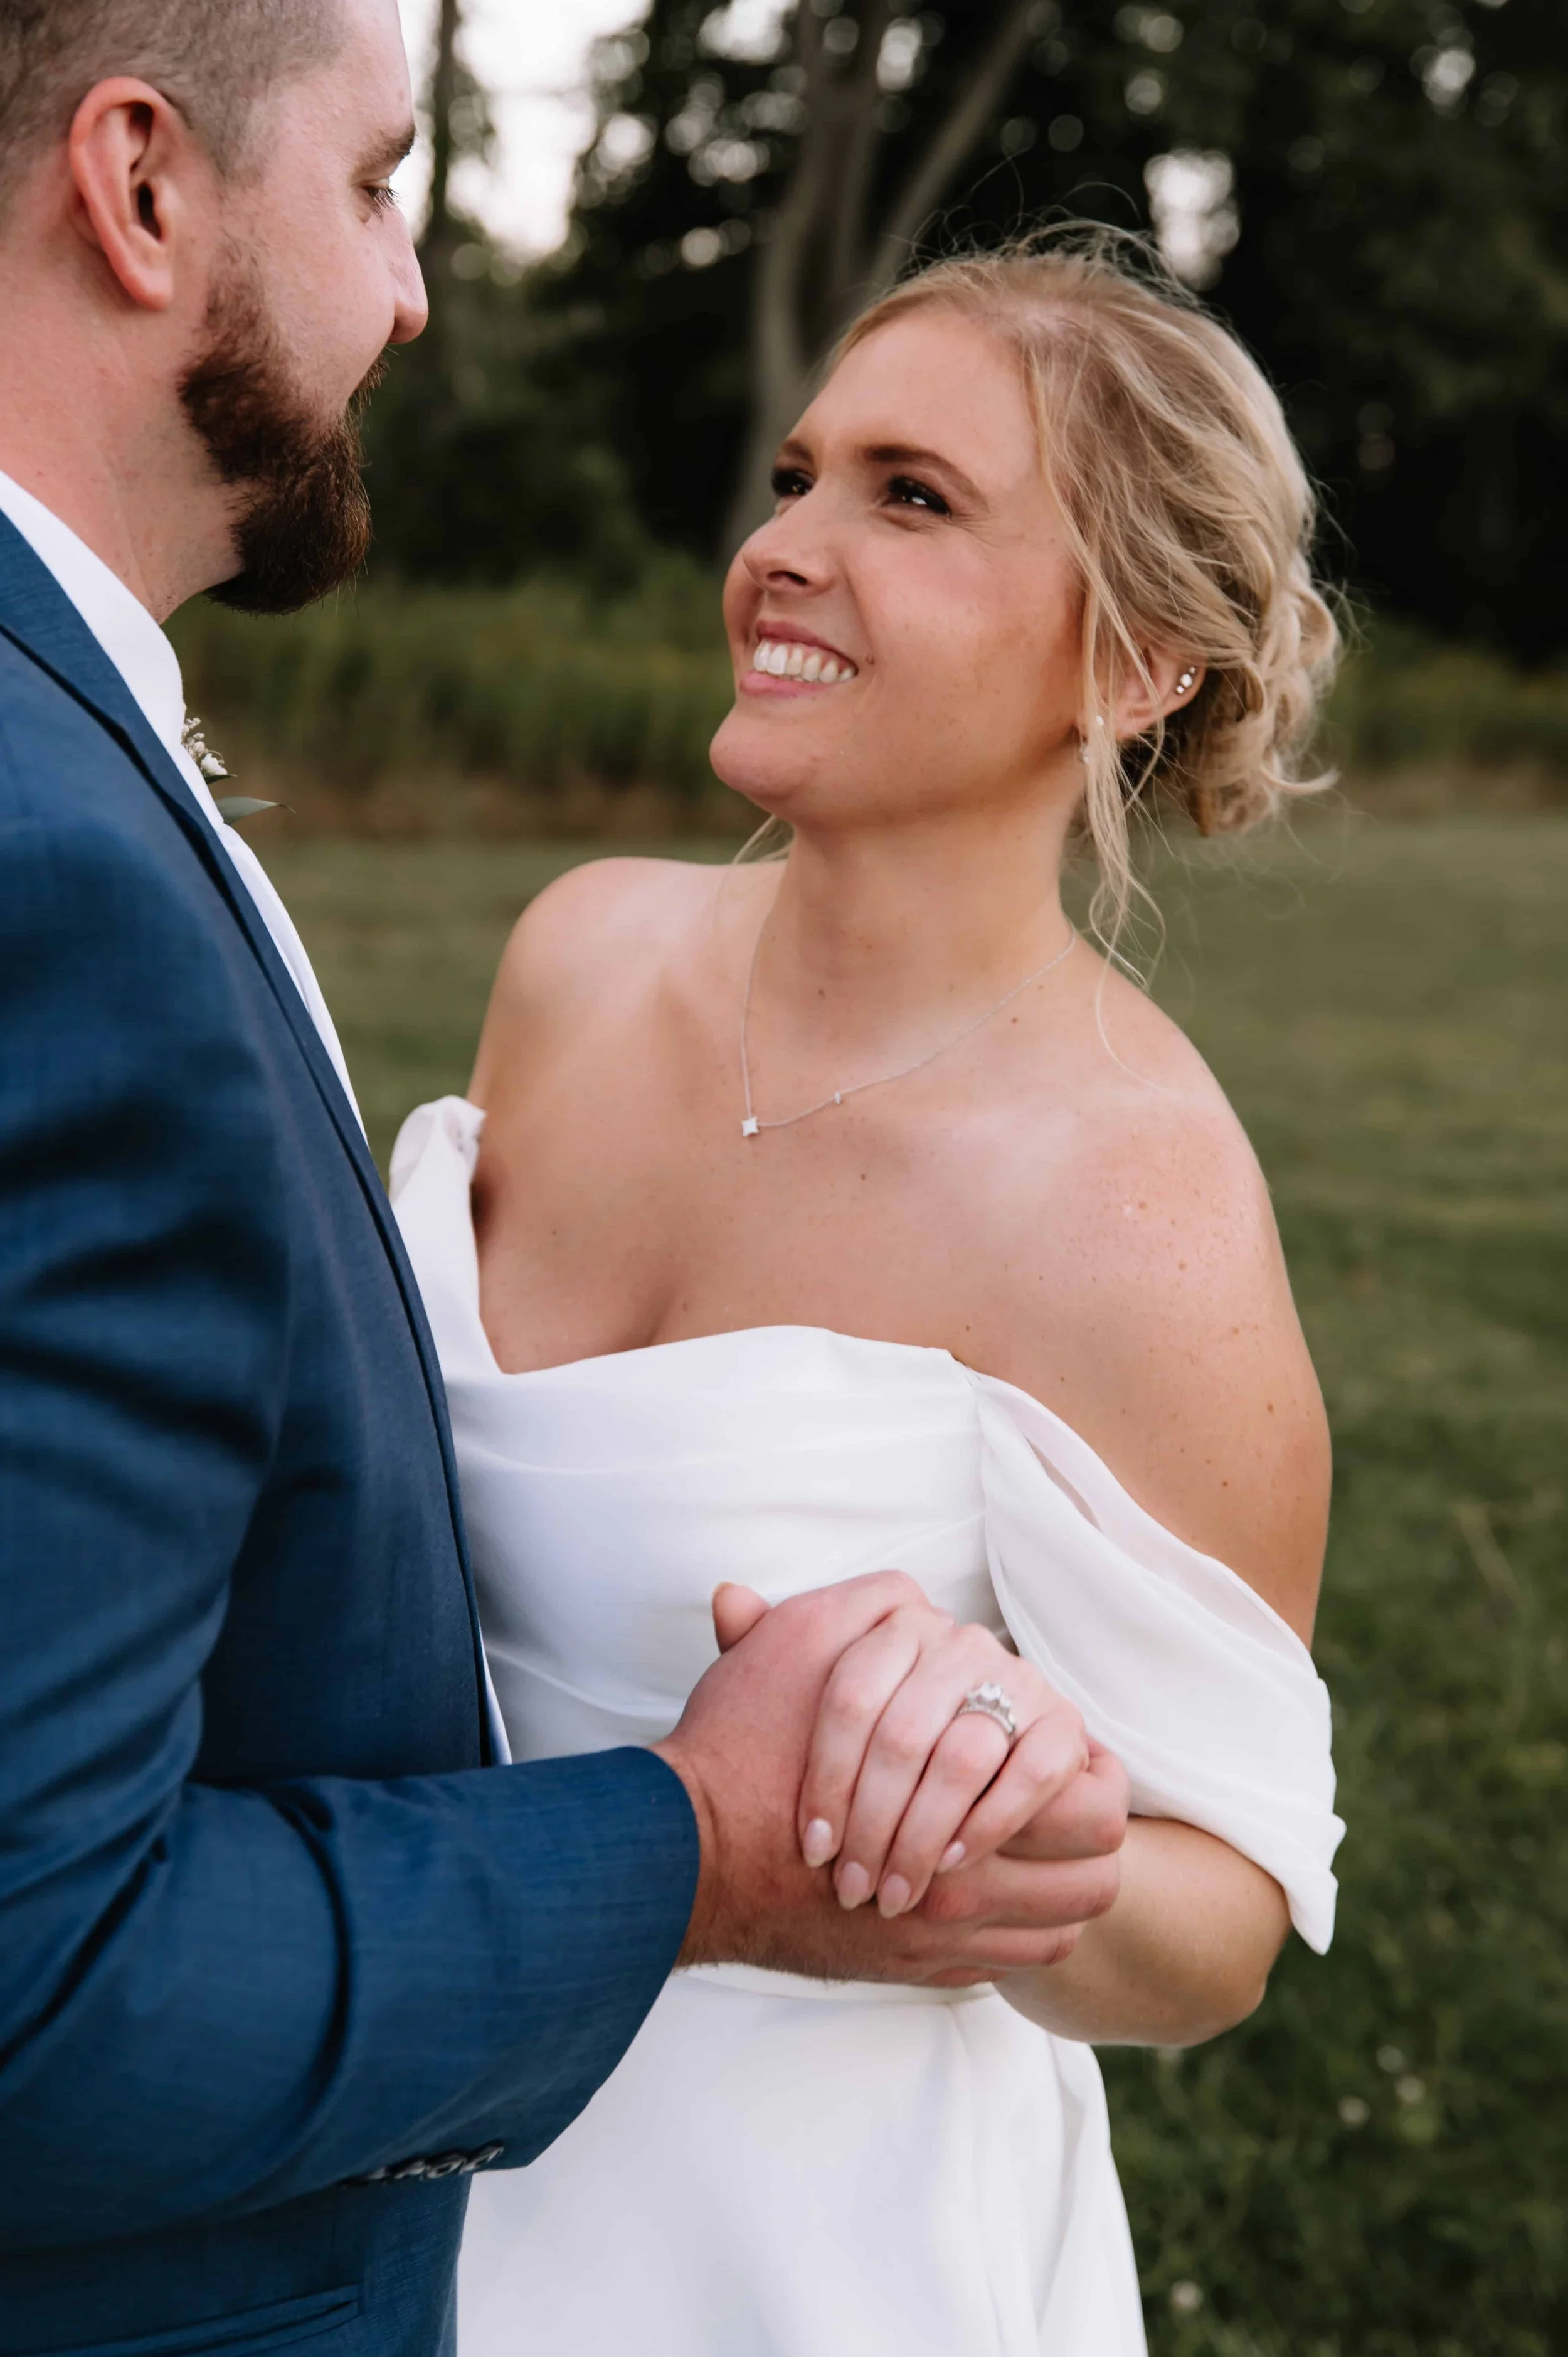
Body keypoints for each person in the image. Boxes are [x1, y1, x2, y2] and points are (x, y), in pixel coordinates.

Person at [0, 7, 1130, 2351]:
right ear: (138, 187)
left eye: (910, 496)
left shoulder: (1143, 1191)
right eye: (377, 184)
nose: (413, 294)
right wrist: (702, 1840)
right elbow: (44, 1975)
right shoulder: (90, 868)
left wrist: (996, 1804)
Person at [389, 234, 1348, 2355]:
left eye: (910, 499)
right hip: (404, 2111)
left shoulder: (1138, 1211)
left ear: (1136, 663)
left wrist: (1029, 1843)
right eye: (803, 471)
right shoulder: (576, 957)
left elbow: (1221, 1919)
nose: (785, 548)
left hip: (807, 2256)